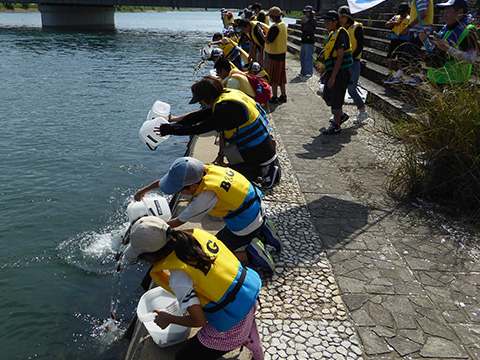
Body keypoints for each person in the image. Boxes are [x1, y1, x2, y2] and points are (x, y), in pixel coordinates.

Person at [124, 216, 264, 360]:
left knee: (183, 357)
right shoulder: (194, 237)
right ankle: (246, 332)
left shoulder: (178, 277)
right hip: (250, 293)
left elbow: (199, 321)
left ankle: (243, 339)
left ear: (151, 257)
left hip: (234, 320)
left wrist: (168, 318)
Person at [134, 157, 284, 272]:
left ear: (192, 186)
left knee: (211, 253)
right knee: (246, 223)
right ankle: (265, 230)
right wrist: (143, 191)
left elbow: (179, 221)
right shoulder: (204, 170)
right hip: (257, 206)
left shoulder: (205, 196)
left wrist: (150, 228)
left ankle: (253, 254)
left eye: (180, 190)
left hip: (245, 223)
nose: (179, 192)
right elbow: (171, 180)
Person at [154, 76, 279, 187]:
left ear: (208, 97)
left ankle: (265, 170)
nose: (200, 103)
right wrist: (172, 125)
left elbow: (199, 128)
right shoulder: (228, 95)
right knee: (221, 170)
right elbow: (200, 116)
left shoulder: (227, 109)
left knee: (225, 177)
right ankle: (258, 167)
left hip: (260, 152)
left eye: (200, 100)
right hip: (260, 146)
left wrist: (169, 130)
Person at [419, 0, 478, 84]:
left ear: (460, 12)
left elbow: (472, 58)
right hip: (435, 79)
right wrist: (425, 40)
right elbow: (436, 50)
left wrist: (449, 49)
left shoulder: (468, 31)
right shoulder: (446, 28)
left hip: (454, 83)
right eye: (444, 13)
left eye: (447, 13)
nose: (444, 16)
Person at [385, 0, 435, 85]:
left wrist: (409, 26)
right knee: (413, 55)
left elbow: (423, 13)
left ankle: (398, 76)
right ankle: (418, 76)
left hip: (419, 29)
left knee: (407, 54)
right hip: (416, 29)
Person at [320, 10, 353, 135]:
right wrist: (326, 73)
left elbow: (340, 56)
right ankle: (341, 115)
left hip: (340, 72)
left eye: (328, 22)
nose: (326, 24)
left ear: (335, 22)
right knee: (327, 96)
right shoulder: (332, 34)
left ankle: (336, 125)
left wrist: (333, 77)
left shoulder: (341, 34)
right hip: (332, 70)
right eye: (325, 22)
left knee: (336, 97)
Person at [338, 6, 368, 125]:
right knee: (339, 88)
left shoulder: (357, 28)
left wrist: (350, 58)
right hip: (343, 62)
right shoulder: (342, 29)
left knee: (351, 89)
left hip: (354, 62)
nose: (341, 19)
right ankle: (338, 113)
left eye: (343, 17)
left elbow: (360, 46)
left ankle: (362, 111)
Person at [257, 6, 288, 103]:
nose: (270, 18)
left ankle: (274, 96)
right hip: (282, 54)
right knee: (281, 77)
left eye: (270, 16)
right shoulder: (283, 24)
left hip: (274, 55)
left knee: (274, 77)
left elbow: (268, 40)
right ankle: (283, 95)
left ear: (274, 17)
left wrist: (261, 33)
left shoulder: (275, 27)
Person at [385, 3, 410, 79]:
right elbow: (387, 24)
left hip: (403, 40)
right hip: (394, 39)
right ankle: (390, 71)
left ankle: (400, 71)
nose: (402, 15)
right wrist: (393, 23)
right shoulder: (396, 17)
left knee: (400, 57)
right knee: (391, 56)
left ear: (408, 11)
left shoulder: (409, 19)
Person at [299, 5, 317, 79]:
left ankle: (309, 72)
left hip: (310, 41)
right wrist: (303, 23)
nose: (306, 14)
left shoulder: (313, 20)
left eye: (308, 12)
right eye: (305, 12)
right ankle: (303, 71)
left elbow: (312, 30)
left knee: (308, 57)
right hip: (304, 40)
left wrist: (307, 22)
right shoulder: (305, 19)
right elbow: (302, 29)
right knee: (302, 57)